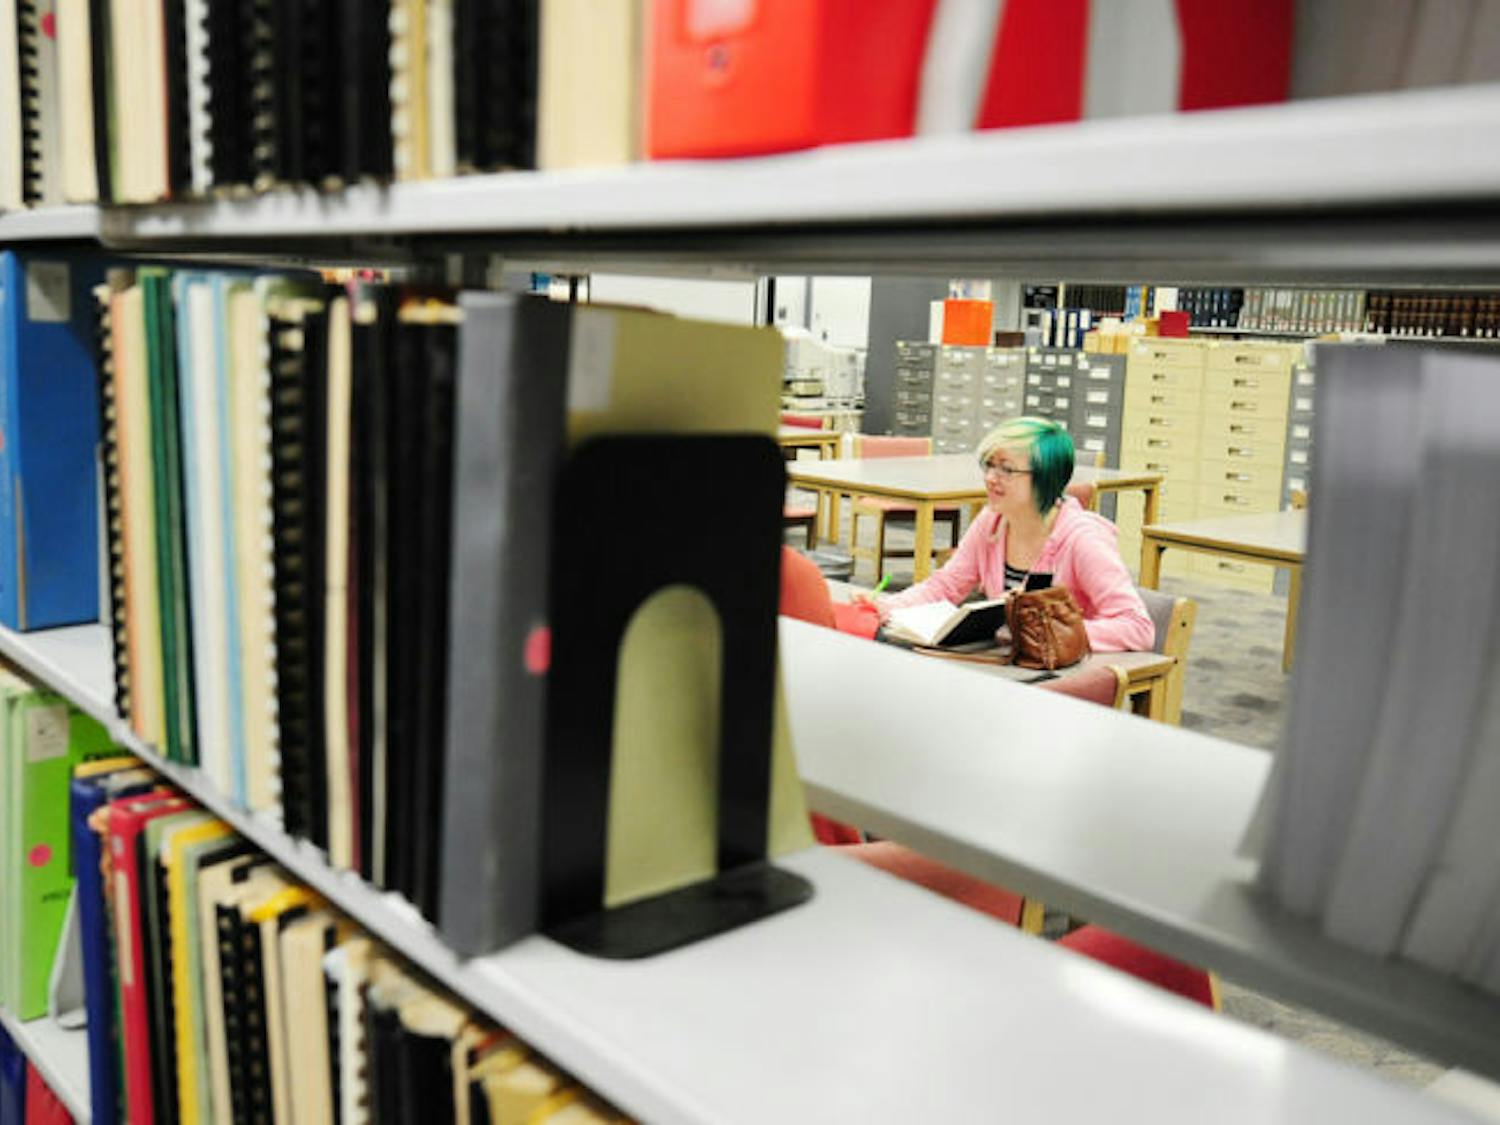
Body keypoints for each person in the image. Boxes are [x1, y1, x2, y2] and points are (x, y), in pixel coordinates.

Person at [861, 416, 1154, 653]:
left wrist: (1055, 633)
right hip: (1011, 665)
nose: (991, 478)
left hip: (1062, 674)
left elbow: (1138, 627)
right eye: (989, 465)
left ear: (1044, 479)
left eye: (1006, 470)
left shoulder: (1083, 539)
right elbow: (947, 585)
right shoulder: (992, 522)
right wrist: (889, 606)